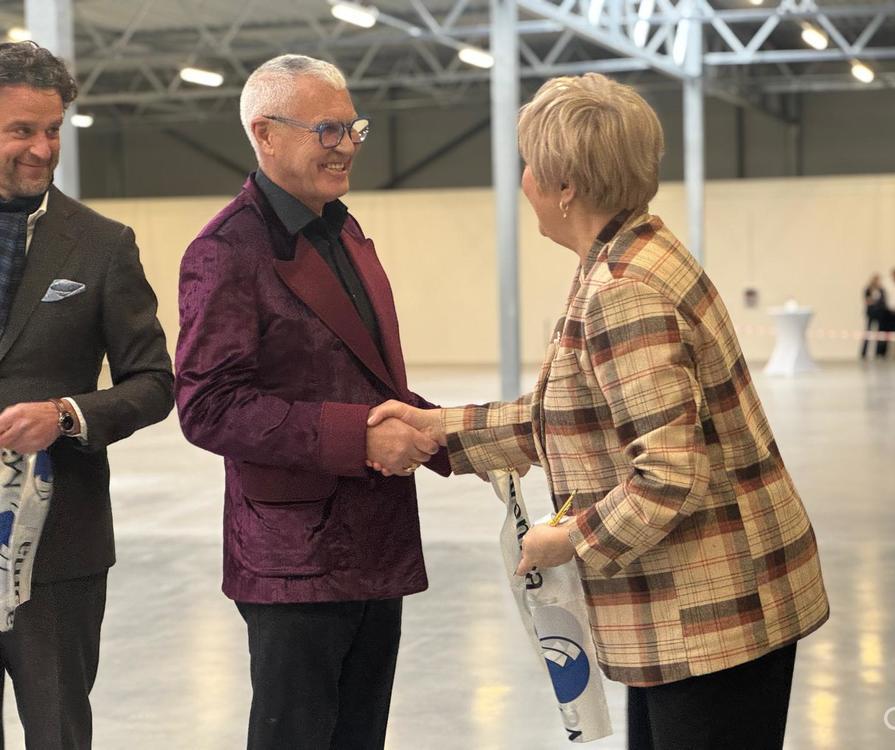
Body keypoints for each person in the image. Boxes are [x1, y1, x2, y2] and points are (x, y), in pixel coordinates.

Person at [369, 73, 829, 750]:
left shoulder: (623, 290)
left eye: (530, 165)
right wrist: (438, 431)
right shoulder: (626, 252)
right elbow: (573, 417)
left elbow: (669, 476)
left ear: (565, 187)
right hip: (703, 612)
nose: (524, 181)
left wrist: (569, 540)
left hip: (712, 617)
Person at [173, 54, 450, 750]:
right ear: (265, 134)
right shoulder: (227, 249)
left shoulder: (343, 232)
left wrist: (454, 433)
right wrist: (360, 438)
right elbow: (208, 405)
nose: (347, 145)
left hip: (373, 541)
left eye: (353, 127)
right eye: (327, 130)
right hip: (294, 558)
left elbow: (366, 381)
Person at [0, 41, 173, 748]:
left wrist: (67, 415)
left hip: (58, 550)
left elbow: (154, 382)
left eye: (53, 129)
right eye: (22, 130)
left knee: (59, 733)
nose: (43, 149)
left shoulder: (102, 245)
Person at [861, 273, 886, 359]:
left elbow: (882, 301)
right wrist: (874, 302)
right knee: (868, 332)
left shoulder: (881, 290)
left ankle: (879, 353)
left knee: (880, 334)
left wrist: (874, 302)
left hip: (879, 314)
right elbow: (867, 301)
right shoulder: (868, 289)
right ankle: (863, 353)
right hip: (871, 313)